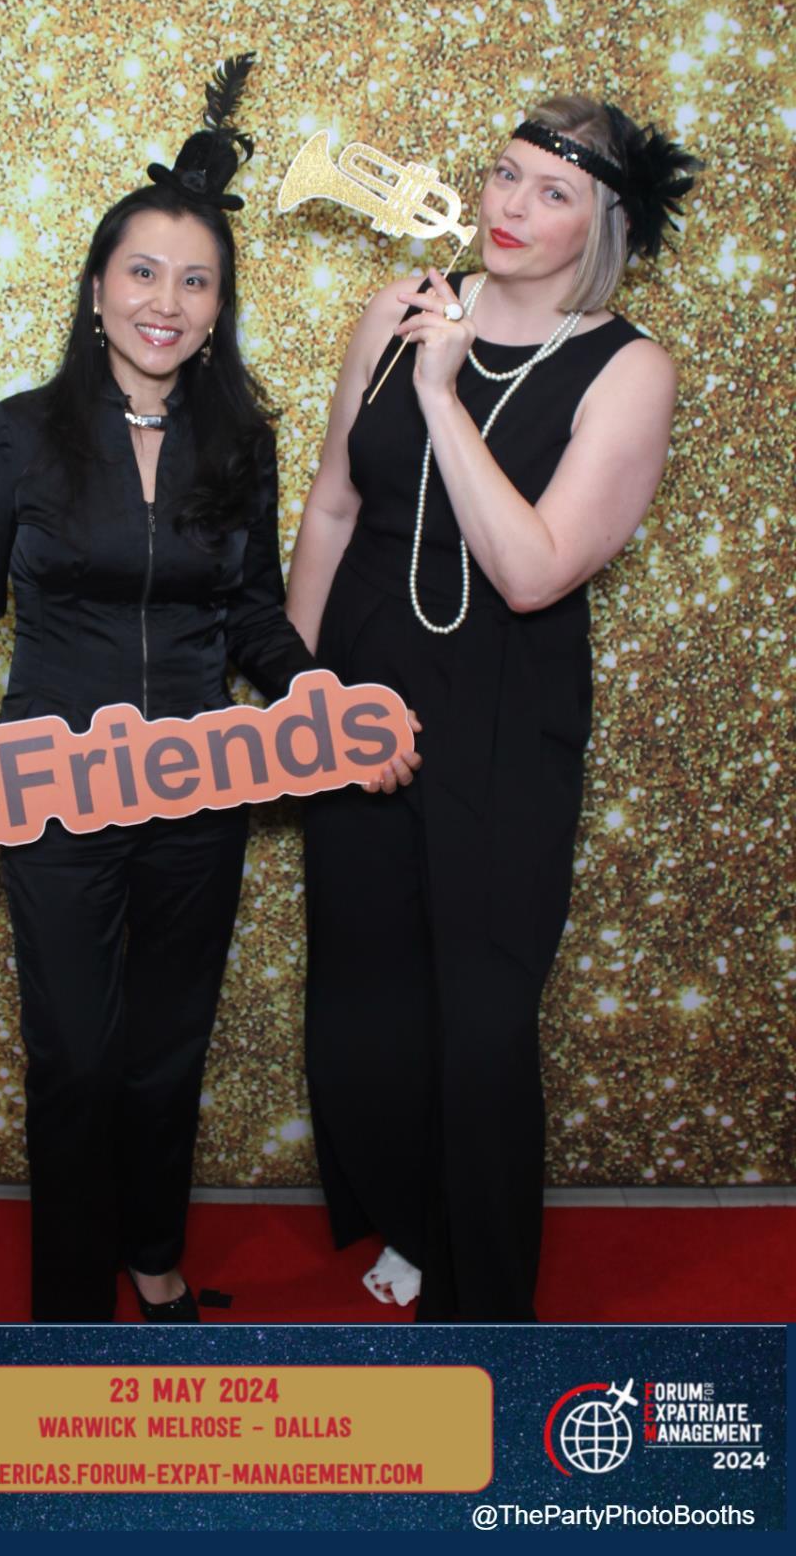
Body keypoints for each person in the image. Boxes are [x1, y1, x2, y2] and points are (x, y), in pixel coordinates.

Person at [0, 56, 339, 1324]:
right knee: (77, 1062)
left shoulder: (241, 438)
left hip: (199, 793)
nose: (167, 301)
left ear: (219, 307)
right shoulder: (21, 433)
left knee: (164, 1059)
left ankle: (153, 1260)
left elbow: (251, 614)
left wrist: (323, 707)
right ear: (98, 290)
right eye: (144, 272)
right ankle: (65, 1309)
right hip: (53, 793)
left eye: (196, 281)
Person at [286, 97, 701, 1321]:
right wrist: (295, 693)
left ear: (604, 225)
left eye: (552, 191)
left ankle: (482, 1293)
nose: (512, 208)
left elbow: (532, 571)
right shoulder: (398, 306)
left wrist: (441, 391)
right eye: (505, 176)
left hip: (503, 714)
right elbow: (332, 507)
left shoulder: (630, 370)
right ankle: (412, 1218)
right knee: (365, 993)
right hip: (357, 692)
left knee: (477, 1015)